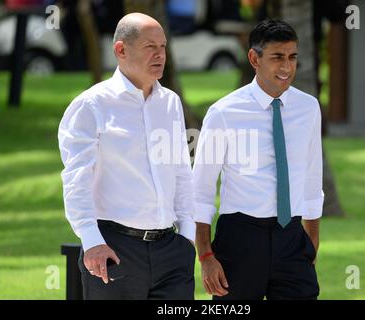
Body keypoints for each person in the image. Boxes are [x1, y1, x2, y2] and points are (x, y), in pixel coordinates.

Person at [58, 13, 196, 300]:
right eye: (150, 47)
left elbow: (181, 170)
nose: (160, 55)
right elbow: (76, 179)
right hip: (113, 250)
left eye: (163, 46)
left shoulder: (170, 102)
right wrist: (92, 240)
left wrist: (187, 237)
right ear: (121, 50)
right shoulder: (91, 105)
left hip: (171, 251)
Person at [193, 19, 323, 300]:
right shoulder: (223, 113)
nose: (287, 67)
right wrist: (205, 256)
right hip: (240, 238)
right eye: (277, 57)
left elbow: (312, 179)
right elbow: (201, 192)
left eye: (292, 57)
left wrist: (311, 242)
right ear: (254, 58)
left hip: (292, 238)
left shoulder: (309, 108)